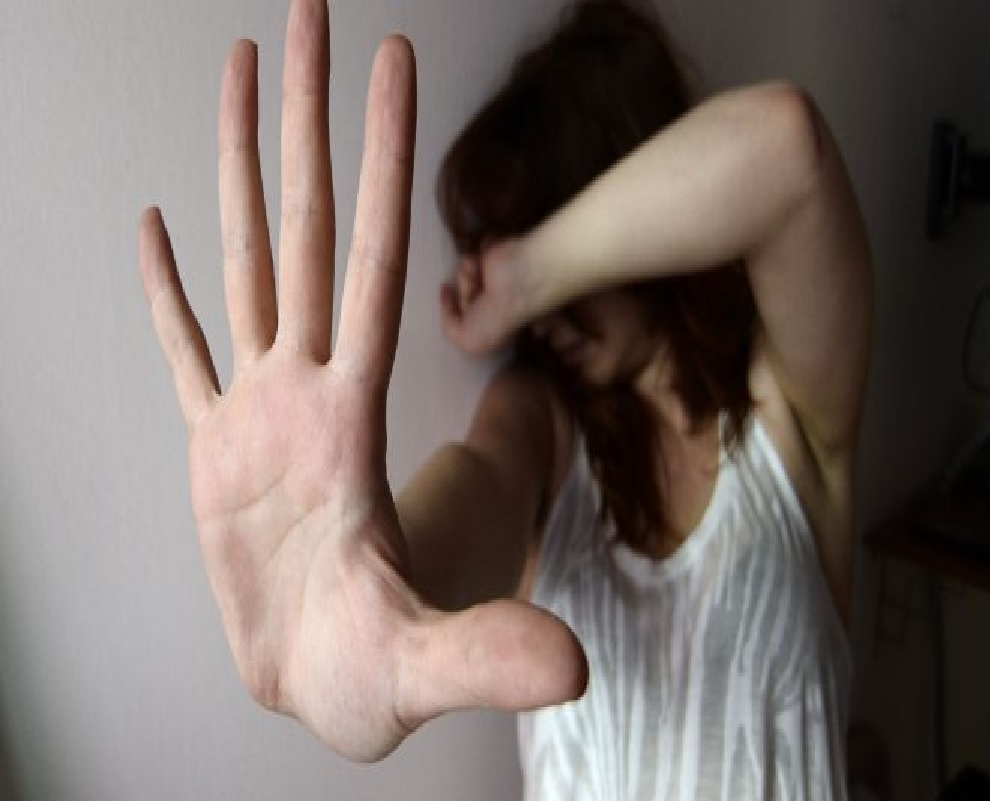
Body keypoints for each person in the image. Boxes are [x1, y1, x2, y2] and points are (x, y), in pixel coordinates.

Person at [139, 0, 871, 797]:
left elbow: (789, 151)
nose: (538, 321)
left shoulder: (785, 417)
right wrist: (371, 581)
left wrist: (527, 278)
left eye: (532, 239)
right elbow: (479, 483)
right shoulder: (545, 425)